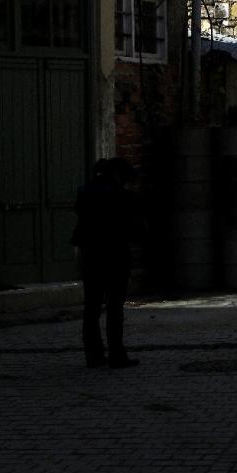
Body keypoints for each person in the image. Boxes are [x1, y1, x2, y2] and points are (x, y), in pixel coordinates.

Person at [71, 157, 142, 368]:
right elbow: (136, 230)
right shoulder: (124, 197)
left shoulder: (84, 193)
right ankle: (116, 354)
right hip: (116, 254)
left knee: (91, 307)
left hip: (91, 253)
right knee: (114, 307)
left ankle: (93, 355)